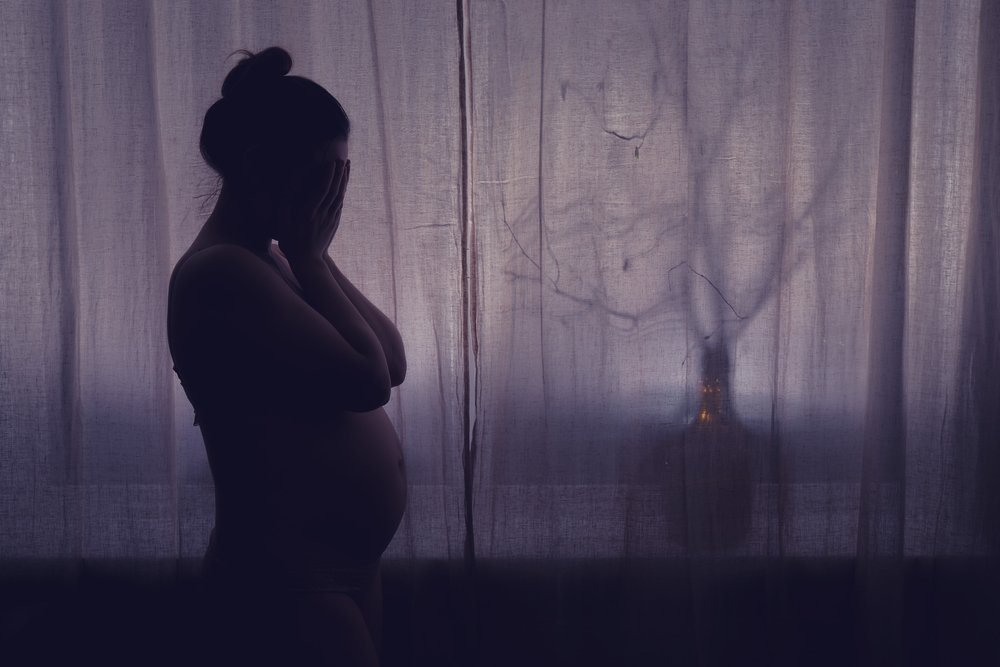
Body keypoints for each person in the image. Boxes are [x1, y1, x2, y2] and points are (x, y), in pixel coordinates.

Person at [166, 47, 407, 666]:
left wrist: (314, 258)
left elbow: (393, 358)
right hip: (289, 582)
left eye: (340, 179)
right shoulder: (221, 272)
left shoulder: (273, 260)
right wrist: (309, 256)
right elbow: (369, 380)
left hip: (339, 571)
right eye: (323, 178)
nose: (332, 198)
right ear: (258, 168)